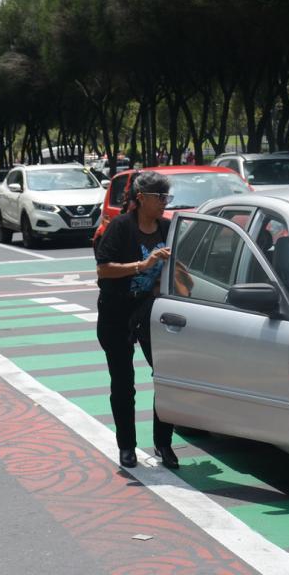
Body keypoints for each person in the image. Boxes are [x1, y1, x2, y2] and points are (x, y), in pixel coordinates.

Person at [93, 171, 177, 470]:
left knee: (165, 378)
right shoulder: (121, 226)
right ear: (141, 198)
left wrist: (179, 274)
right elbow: (104, 270)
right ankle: (126, 446)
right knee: (124, 383)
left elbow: (177, 274)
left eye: (167, 198)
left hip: (151, 314)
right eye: (160, 198)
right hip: (116, 313)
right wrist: (144, 264)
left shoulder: (168, 227)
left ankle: (163, 444)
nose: (164, 204)